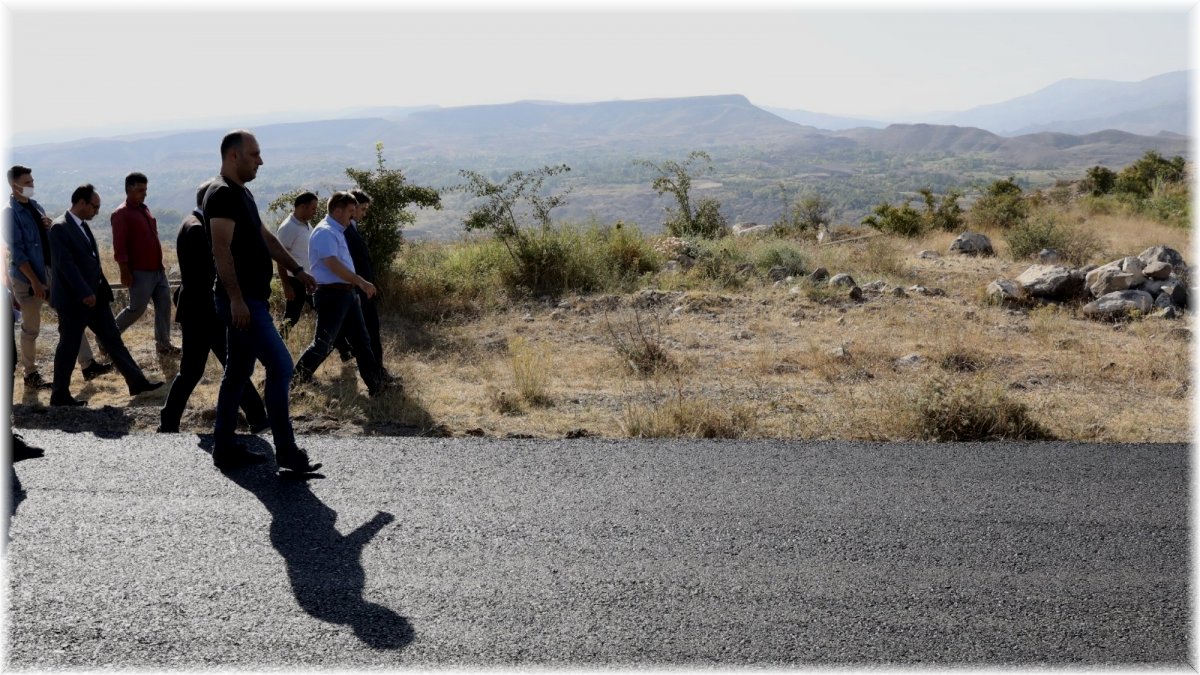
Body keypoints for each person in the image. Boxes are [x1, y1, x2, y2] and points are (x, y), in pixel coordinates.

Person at [206, 130, 320, 472]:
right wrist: (236, 299)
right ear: (234, 156)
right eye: (255, 154)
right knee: (281, 366)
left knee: (238, 372)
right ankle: (286, 451)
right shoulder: (222, 194)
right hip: (243, 303)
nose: (261, 160)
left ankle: (224, 447)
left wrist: (297, 269)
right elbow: (220, 249)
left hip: (249, 299)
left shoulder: (241, 192)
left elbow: (265, 237)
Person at [158, 180, 268, 434]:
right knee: (231, 365)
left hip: (198, 310)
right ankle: (258, 418)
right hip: (206, 311)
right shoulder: (198, 229)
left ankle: (169, 421)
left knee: (195, 370)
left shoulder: (191, 223)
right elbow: (209, 273)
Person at [47, 184, 163, 407]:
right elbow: (66, 265)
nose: (97, 212)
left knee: (113, 339)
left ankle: (137, 382)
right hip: (74, 301)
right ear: (81, 202)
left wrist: (99, 290)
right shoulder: (60, 228)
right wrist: (84, 292)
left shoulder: (82, 226)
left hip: (96, 298)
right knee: (69, 346)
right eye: (95, 207)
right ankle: (59, 395)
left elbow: (91, 260)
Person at [3, 166, 111, 391]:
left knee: (70, 317)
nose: (32, 186)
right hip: (27, 279)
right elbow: (18, 252)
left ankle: (88, 365)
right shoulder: (9, 214)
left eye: (32, 181)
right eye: (27, 182)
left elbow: (48, 239)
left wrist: (51, 225)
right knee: (31, 328)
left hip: (49, 273)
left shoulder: (36, 206)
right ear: (14, 185)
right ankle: (30, 374)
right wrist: (34, 281)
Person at [292, 191, 389, 397]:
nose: (353, 215)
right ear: (337, 211)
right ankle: (294, 381)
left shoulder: (337, 230)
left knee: (362, 341)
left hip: (346, 293)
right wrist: (361, 281)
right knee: (323, 343)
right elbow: (332, 264)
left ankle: (376, 386)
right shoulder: (325, 231)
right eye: (351, 211)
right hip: (332, 295)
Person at [111, 172, 180, 356]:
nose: (145, 194)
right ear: (129, 189)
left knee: (164, 305)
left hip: (158, 270)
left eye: (145, 190)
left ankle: (164, 345)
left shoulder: (144, 209)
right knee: (136, 309)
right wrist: (124, 271)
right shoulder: (121, 214)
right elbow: (119, 246)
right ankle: (107, 338)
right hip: (140, 272)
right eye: (140, 190)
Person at [332, 189, 394, 382]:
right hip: (358, 291)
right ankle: (377, 374)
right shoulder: (343, 231)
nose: (364, 214)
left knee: (364, 334)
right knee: (366, 334)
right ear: (353, 207)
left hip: (362, 289)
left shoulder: (351, 228)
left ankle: (377, 372)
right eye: (363, 209)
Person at [275, 191, 318, 334]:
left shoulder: (306, 224)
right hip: (295, 281)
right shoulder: (288, 227)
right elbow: (280, 258)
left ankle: (336, 344)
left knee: (324, 311)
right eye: (313, 208)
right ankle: (277, 343)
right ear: (302, 207)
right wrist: (286, 286)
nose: (315, 212)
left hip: (310, 279)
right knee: (291, 317)